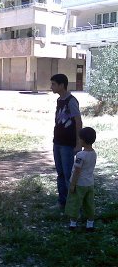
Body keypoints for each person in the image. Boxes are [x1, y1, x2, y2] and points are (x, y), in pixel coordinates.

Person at [51, 74, 82, 210]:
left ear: (62, 85)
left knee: (69, 175)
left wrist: (78, 143)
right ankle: (62, 202)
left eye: (53, 84)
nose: (51, 87)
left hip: (67, 144)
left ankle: (74, 205)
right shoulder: (59, 100)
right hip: (57, 142)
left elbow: (78, 122)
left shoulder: (71, 101)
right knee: (60, 173)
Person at [65, 127, 97, 232]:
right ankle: (90, 224)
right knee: (89, 204)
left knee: (75, 202)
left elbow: (77, 171)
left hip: (79, 184)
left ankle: (73, 223)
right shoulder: (94, 153)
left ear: (82, 140)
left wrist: (73, 185)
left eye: (79, 139)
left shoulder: (80, 155)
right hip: (90, 183)